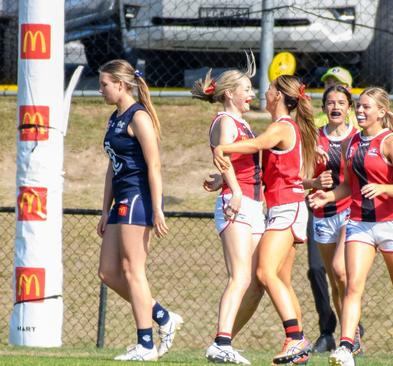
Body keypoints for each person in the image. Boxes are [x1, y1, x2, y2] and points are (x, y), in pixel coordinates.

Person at [309, 87, 393, 366]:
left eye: (366, 107)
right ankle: (346, 348)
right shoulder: (351, 142)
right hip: (360, 225)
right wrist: (328, 195)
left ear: (381, 112)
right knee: (352, 286)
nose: (360, 111)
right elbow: (347, 187)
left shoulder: (390, 143)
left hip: (392, 226)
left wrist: (383, 188)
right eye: (359, 107)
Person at [213, 75, 318, 365]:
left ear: (279, 97)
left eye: (270, 89)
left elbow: (258, 144)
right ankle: (297, 348)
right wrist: (220, 176)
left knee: (264, 273)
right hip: (281, 208)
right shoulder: (282, 126)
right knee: (279, 279)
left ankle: (296, 338)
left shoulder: (281, 126)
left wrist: (223, 149)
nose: (265, 92)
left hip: (287, 210)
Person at [96, 59, 183, 361]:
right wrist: (104, 210)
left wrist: (158, 208)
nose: (100, 90)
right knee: (107, 272)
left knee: (134, 271)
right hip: (118, 201)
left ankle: (146, 344)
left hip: (136, 199)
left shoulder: (139, 116)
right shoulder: (114, 117)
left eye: (104, 84)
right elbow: (112, 165)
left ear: (120, 85)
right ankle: (162, 316)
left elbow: (154, 165)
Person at [190, 53, 266, 365]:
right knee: (240, 276)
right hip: (238, 205)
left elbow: (232, 165)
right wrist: (232, 189)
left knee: (257, 281)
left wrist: (223, 180)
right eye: (246, 89)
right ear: (230, 93)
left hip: (251, 202)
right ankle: (222, 341)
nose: (252, 94)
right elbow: (222, 155)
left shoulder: (242, 123)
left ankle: (225, 340)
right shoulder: (225, 122)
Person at [303, 85, 361, 353]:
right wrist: (314, 180)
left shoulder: (358, 138)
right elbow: (297, 179)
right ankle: (346, 338)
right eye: (330, 102)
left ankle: (352, 337)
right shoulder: (314, 139)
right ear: (324, 108)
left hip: (350, 211)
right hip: (322, 215)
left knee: (341, 270)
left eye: (341, 102)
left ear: (349, 107)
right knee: (332, 278)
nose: (335, 106)